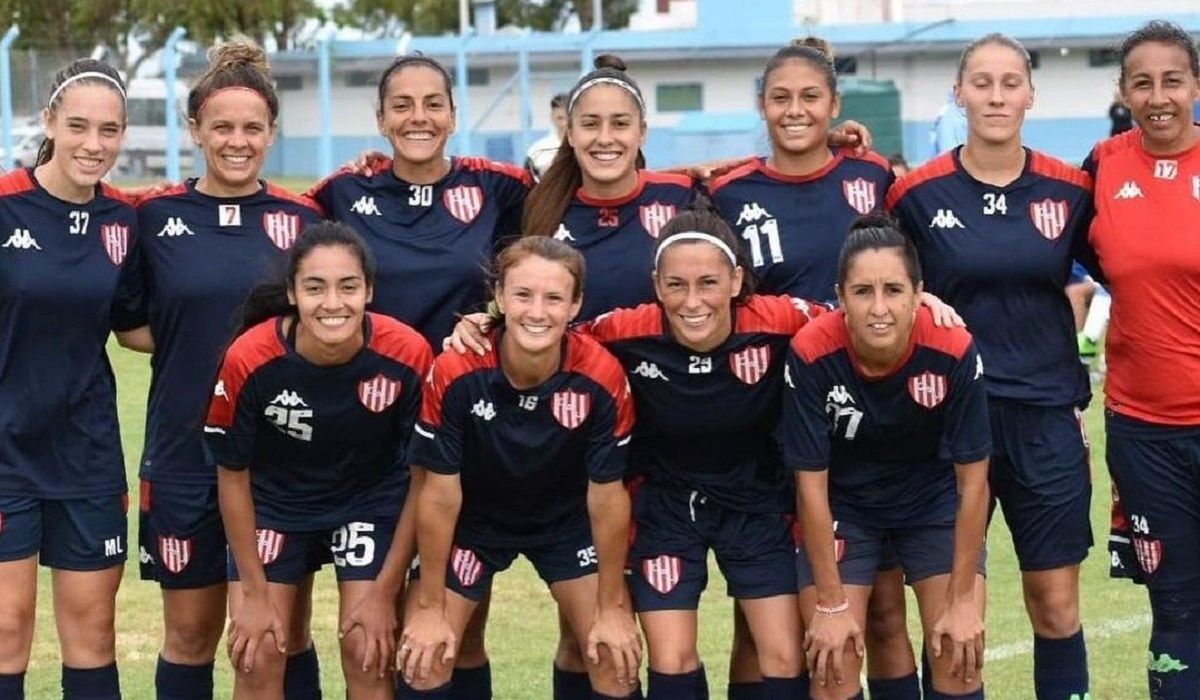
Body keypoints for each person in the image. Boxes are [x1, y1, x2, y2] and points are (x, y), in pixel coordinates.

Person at [707, 38, 919, 699]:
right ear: (761, 107)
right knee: (761, 616)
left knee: (881, 613)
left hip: (866, 424)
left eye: (810, 98)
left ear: (835, 105)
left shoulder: (873, 179)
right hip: (765, 423)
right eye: (780, 98)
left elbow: (909, 282)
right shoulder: (728, 191)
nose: (795, 111)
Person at [887, 33, 1096, 700]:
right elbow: (879, 284)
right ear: (959, 92)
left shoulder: (1071, 190)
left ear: (1031, 94)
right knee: (954, 616)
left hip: (1044, 421)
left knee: (1057, 604)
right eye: (982, 82)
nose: (997, 95)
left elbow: (1127, 271)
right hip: (946, 427)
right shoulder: (914, 196)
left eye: (1011, 82)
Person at [130, 40, 328, 700]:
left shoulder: (302, 221)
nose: (237, 141)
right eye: (222, 127)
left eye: (252, 128)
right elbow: (132, 324)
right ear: (196, 131)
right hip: (184, 452)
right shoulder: (155, 217)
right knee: (189, 637)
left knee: (276, 637)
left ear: (272, 132)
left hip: (280, 460)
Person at [398, 236, 641, 700]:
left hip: (566, 524)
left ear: (575, 306)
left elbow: (607, 497)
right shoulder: (457, 369)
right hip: (476, 523)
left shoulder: (601, 376)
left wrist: (612, 607)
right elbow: (439, 493)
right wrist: (428, 605)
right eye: (523, 295)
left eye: (554, 298)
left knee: (614, 658)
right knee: (425, 657)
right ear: (499, 299)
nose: (537, 311)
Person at [205, 221, 433, 699]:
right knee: (258, 650)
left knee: (367, 649)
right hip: (276, 506)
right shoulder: (250, 358)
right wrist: (252, 594)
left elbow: (422, 481)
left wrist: (384, 592)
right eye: (315, 288)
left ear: (369, 290)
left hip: (368, 504)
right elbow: (232, 476)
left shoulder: (407, 353)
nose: (333, 303)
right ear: (292, 293)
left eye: (348, 287)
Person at [782, 215, 990, 700]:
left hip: (931, 502)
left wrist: (961, 601)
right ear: (840, 296)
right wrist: (831, 605)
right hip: (846, 507)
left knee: (958, 655)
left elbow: (973, 484)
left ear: (919, 293)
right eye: (863, 291)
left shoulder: (953, 348)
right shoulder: (811, 352)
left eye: (894, 290)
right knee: (832, 667)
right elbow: (810, 486)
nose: (879, 308)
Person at [0, 59, 144, 700]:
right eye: (80, 126)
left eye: (109, 130)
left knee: (93, 632)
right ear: (50, 122)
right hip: (5, 450)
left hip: (86, 451)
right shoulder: (6, 206)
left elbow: (135, 327)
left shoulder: (125, 220)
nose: (94, 144)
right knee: (7, 627)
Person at [1082, 20, 1200, 699]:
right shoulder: (1102, 166)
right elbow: (1016, 222)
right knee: (1176, 608)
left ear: (1195, 86)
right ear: (1124, 91)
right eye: (1143, 82)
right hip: (1144, 431)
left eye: (1172, 80)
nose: (1158, 96)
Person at [307, 53, 531, 350]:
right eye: (402, 106)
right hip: (373, 383)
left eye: (434, 104)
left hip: (468, 379)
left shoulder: (499, 185)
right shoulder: (344, 190)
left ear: (452, 117)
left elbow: (552, 244)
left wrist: (490, 316)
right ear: (381, 121)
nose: (418, 117)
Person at [526, 93, 569, 181]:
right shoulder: (537, 151)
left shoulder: (585, 148)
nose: (564, 123)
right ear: (552, 117)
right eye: (560, 118)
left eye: (568, 118)